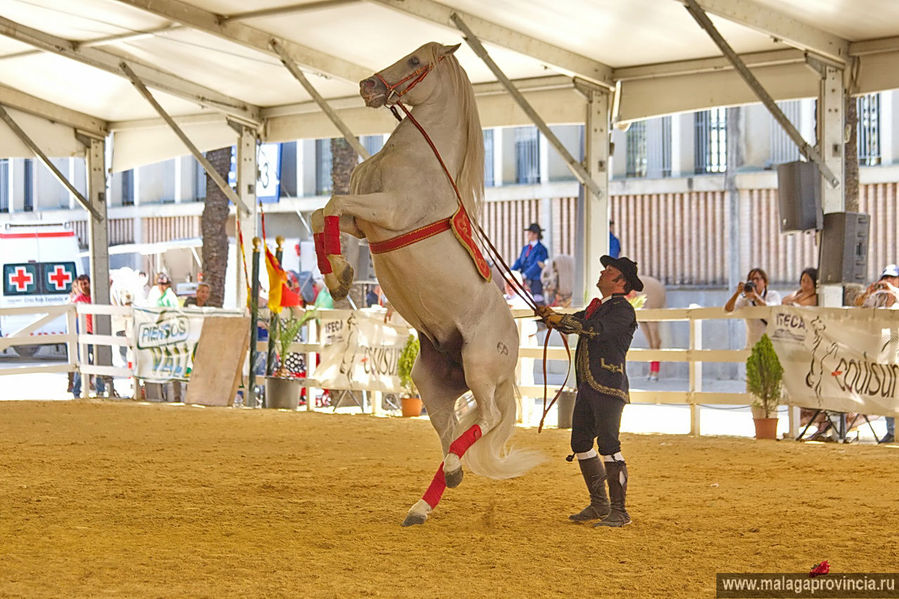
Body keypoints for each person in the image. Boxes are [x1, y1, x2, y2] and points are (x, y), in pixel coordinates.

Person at [537, 255, 643, 528]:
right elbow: (575, 321)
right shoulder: (598, 308)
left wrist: (562, 319)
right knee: (581, 443)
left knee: (609, 445)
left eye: (609, 271)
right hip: (589, 385)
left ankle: (619, 511)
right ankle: (600, 503)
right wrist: (550, 315)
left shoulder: (622, 310)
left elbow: (594, 330)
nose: (602, 272)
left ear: (620, 282)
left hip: (608, 386)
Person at [724, 267, 781, 348]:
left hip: (772, 346)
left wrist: (756, 297)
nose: (754, 282)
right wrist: (737, 293)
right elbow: (728, 310)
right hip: (752, 347)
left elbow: (771, 309)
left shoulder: (773, 295)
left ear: (764, 282)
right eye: (751, 280)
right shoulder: (746, 299)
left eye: (757, 279)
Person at [70, 275, 106, 398]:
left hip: (95, 332)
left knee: (98, 361)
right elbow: (72, 315)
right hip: (86, 333)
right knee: (83, 362)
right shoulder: (78, 300)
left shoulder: (94, 297)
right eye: (82, 284)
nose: (85, 286)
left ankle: (100, 389)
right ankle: (76, 390)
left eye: (86, 283)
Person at [512, 223, 549, 305]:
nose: (528, 234)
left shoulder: (542, 249)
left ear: (535, 234)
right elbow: (519, 261)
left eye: (530, 233)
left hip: (536, 279)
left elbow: (537, 265)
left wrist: (525, 274)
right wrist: (511, 271)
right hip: (523, 277)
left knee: (537, 300)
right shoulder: (525, 248)